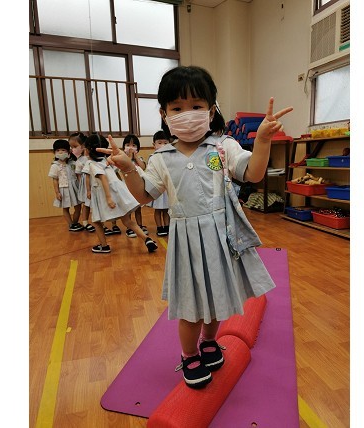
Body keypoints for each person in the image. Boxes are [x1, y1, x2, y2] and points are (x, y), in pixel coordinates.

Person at [99, 65, 293, 388]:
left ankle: (209, 340)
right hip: (186, 243)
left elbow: (253, 172)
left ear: (211, 110)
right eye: (177, 108)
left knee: (216, 299)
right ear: (164, 114)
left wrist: (262, 140)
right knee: (191, 307)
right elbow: (144, 195)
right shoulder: (161, 158)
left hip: (219, 237)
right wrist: (128, 169)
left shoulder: (222, 147)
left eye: (196, 106)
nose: (187, 114)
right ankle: (189, 354)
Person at [84, 133, 158, 254]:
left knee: (97, 222)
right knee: (127, 220)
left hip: (106, 192)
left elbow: (103, 178)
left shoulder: (91, 164)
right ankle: (147, 239)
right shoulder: (108, 160)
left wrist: (108, 198)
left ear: (88, 150)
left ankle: (104, 246)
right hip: (117, 191)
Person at [47, 139, 84, 232]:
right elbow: (55, 180)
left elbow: (78, 175)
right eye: (58, 150)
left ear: (69, 151)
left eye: (63, 150)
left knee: (78, 206)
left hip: (75, 188)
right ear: (54, 152)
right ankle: (71, 224)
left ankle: (75, 223)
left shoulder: (73, 163)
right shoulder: (55, 165)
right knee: (65, 207)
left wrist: (81, 187)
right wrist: (57, 192)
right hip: (63, 189)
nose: (60, 152)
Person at [121, 134, 148, 238]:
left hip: (137, 187)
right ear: (124, 147)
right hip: (126, 187)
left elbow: (143, 167)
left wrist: (135, 157)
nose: (131, 148)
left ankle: (140, 226)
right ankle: (130, 228)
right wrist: (129, 157)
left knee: (138, 208)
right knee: (129, 208)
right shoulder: (123, 158)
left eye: (134, 145)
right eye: (128, 145)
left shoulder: (139, 158)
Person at [69, 132, 96, 233]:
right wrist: (85, 188)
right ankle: (85, 223)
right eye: (71, 147)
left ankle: (99, 223)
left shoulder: (91, 157)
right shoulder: (79, 161)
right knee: (86, 205)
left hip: (95, 184)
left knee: (97, 203)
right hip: (86, 186)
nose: (73, 149)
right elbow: (79, 176)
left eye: (75, 146)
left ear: (83, 145)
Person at [148, 131, 171, 236]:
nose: (163, 145)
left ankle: (167, 226)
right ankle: (159, 227)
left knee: (166, 209)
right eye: (160, 143)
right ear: (154, 144)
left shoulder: (170, 157)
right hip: (157, 188)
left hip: (167, 188)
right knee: (158, 210)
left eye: (165, 143)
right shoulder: (152, 157)